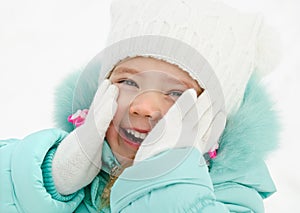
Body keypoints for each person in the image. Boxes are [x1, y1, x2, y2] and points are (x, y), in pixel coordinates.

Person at [0, 0, 281, 212]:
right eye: (129, 82)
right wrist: (49, 178)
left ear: (213, 118)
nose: (143, 106)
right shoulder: (70, 162)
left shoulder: (232, 195)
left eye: (174, 92)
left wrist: (166, 184)